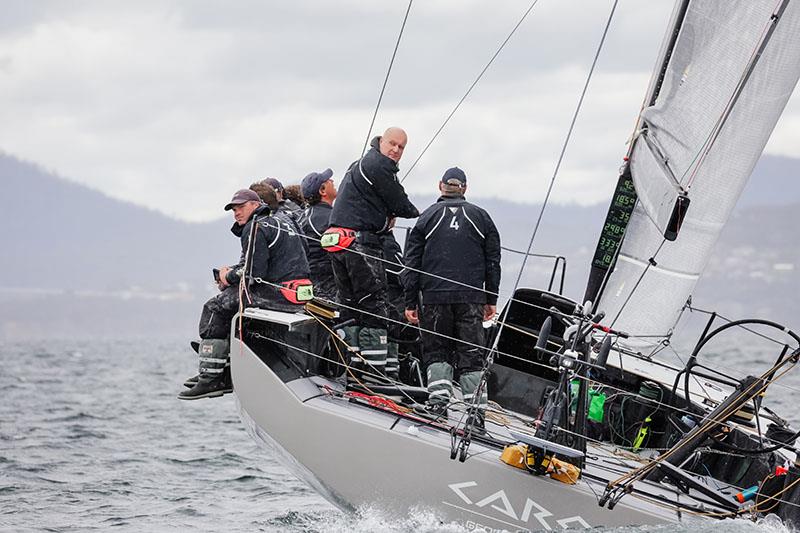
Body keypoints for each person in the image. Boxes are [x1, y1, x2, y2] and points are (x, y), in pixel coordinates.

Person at [179, 189, 312, 400]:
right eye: (233, 210)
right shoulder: (284, 220)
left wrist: (227, 277)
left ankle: (212, 378)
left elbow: (252, 273)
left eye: (240, 208)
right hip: (299, 292)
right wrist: (230, 276)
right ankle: (219, 367)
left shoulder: (256, 226)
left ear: (254, 204)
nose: (236, 214)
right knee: (230, 299)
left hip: (276, 294)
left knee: (214, 308)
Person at [403, 167, 501, 426]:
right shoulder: (482, 217)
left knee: (437, 351)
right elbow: (493, 261)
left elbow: (411, 264)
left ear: (440, 186)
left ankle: (437, 406)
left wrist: (409, 302)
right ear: (465, 188)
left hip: (434, 298)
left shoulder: (426, 218)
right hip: (471, 299)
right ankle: (476, 417)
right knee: (472, 355)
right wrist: (491, 298)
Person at [324, 127, 419, 385]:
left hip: (338, 244)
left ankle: (353, 371)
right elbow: (401, 204)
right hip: (359, 244)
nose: (396, 150)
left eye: (401, 147)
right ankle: (375, 377)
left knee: (350, 307)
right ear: (381, 141)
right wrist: (414, 213)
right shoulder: (378, 164)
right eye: (393, 144)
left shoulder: (360, 164)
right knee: (375, 308)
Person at [298, 168, 338, 302]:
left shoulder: (302, 217)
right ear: (322, 191)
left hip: (309, 284)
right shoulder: (329, 218)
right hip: (329, 286)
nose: (332, 181)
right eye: (328, 181)